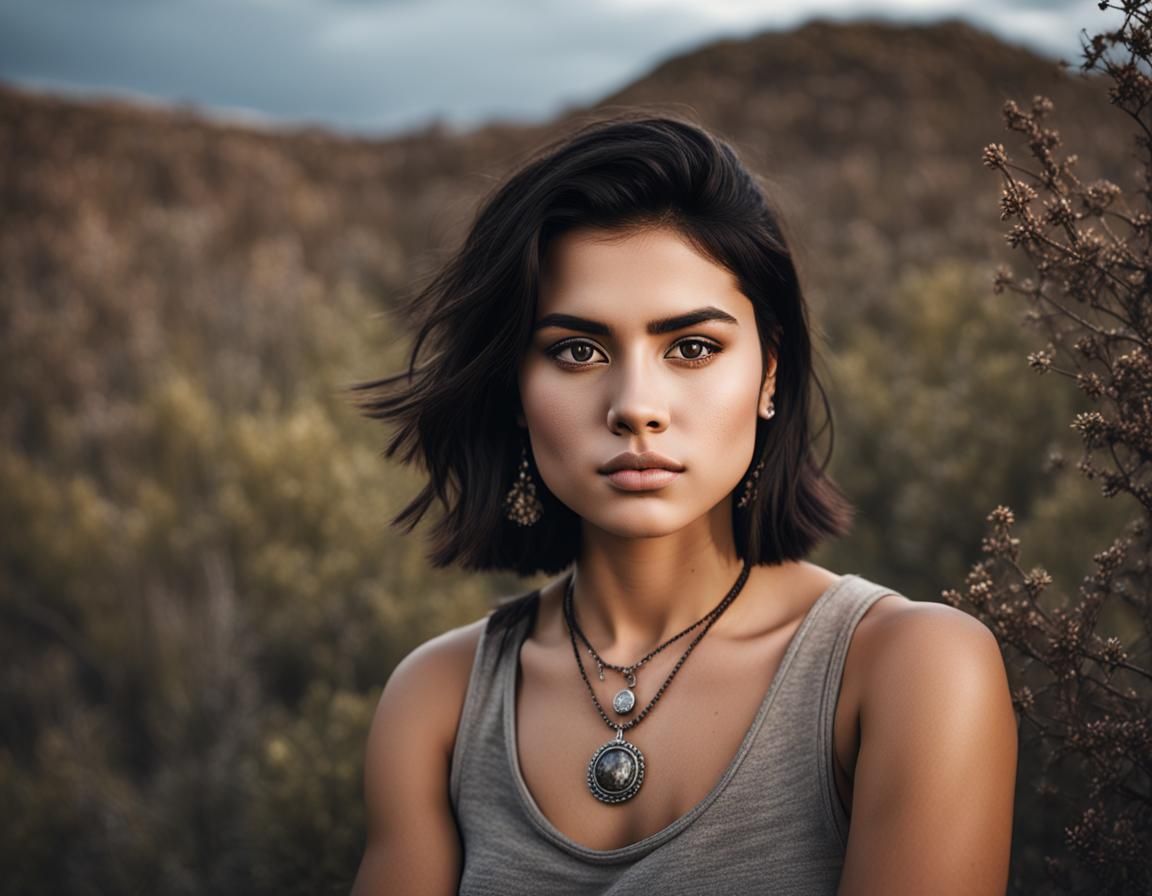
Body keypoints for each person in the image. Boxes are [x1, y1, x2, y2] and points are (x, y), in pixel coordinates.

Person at [348, 114, 1018, 895]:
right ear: (514, 390)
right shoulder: (437, 700)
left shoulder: (911, 672)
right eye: (577, 350)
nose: (636, 405)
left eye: (691, 348)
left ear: (770, 372)